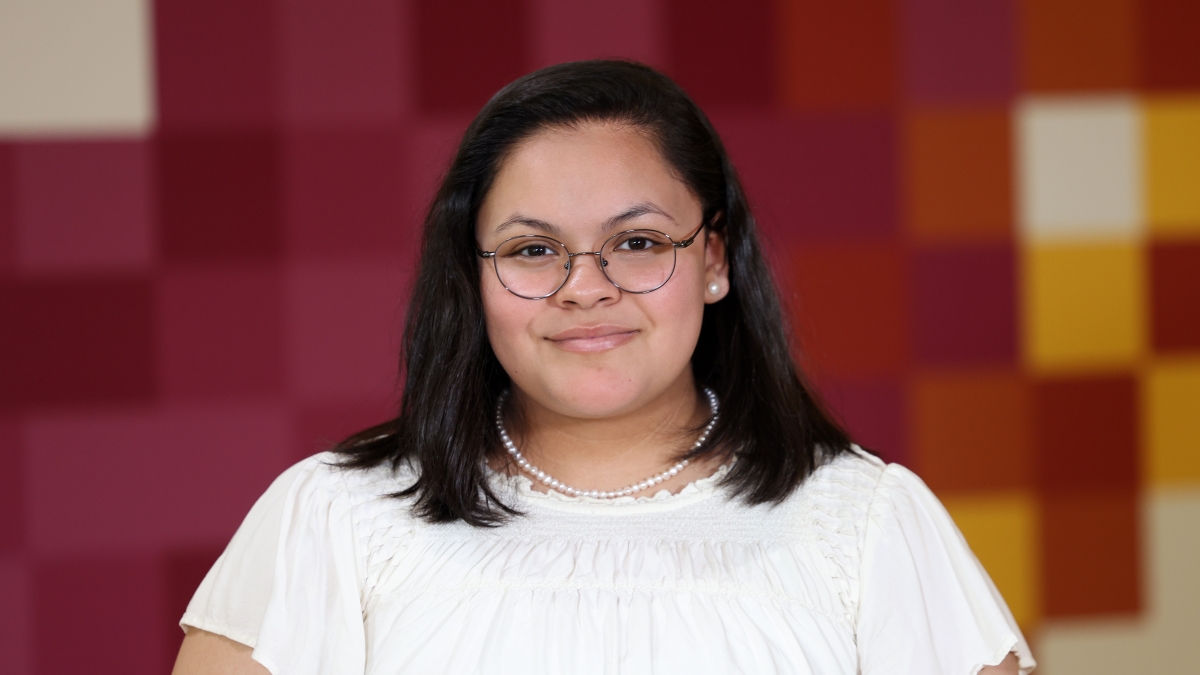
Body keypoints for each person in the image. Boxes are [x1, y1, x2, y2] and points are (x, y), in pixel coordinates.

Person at [172, 60, 1034, 675]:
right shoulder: (330, 520)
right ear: (471, 276)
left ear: (715, 259)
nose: (586, 288)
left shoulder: (868, 522)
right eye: (533, 248)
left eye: (638, 241)